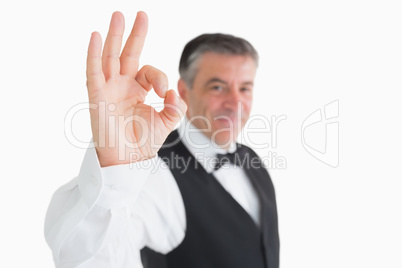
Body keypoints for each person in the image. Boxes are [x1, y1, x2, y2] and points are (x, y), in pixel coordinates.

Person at [45, 11, 280, 268]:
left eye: (245, 88)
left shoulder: (250, 158)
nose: (236, 103)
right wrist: (116, 167)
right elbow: (90, 259)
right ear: (183, 91)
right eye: (217, 87)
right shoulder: (153, 171)